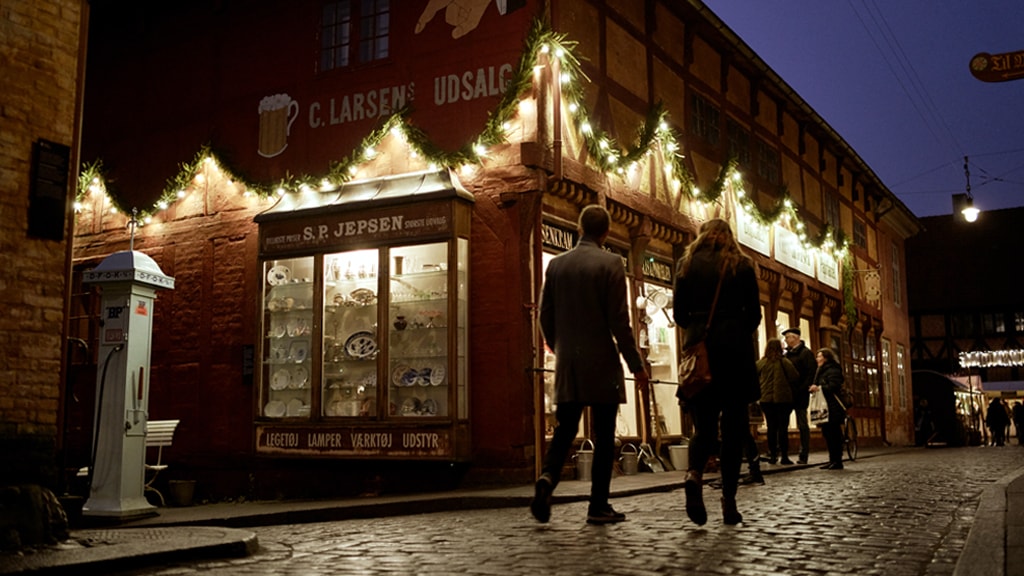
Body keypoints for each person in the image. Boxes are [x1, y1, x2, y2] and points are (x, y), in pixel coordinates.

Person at [532, 204, 650, 525]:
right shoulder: (611, 263)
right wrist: (636, 365)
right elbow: (619, 322)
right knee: (604, 435)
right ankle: (598, 506)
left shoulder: (556, 265)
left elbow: (544, 316)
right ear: (606, 232)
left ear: (579, 227)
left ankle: (546, 478)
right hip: (602, 363)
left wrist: (561, 348)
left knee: (564, 430)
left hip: (569, 363)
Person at [673, 218, 761, 526]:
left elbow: (679, 314)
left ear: (702, 236)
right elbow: (755, 315)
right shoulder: (743, 265)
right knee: (734, 431)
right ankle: (729, 503)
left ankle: (694, 475)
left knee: (705, 428)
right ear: (729, 236)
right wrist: (734, 329)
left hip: (703, 352)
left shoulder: (687, 265)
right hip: (734, 354)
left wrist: (700, 331)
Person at [757, 339, 799, 465]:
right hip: (783, 400)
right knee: (782, 428)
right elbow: (794, 377)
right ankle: (785, 456)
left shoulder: (761, 363)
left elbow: (753, 377)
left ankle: (773, 455)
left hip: (766, 400)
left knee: (771, 428)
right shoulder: (785, 362)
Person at [809, 348, 847, 469]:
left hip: (833, 406)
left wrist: (819, 388)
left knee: (834, 434)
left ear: (826, 358)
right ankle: (832, 460)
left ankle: (837, 461)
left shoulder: (833, 369)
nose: (817, 359)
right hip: (825, 406)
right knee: (828, 434)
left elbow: (833, 386)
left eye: (819, 356)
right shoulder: (820, 370)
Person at [783, 327, 816, 464]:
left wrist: (803, 389)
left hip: (800, 393)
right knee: (783, 422)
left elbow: (811, 373)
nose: (785, 340)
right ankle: (783, 453)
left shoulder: (805, 353)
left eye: (788, 337)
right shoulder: (787, 354)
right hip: (787, 393)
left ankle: (804, 454)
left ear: (795, 338)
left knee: (802, 423)